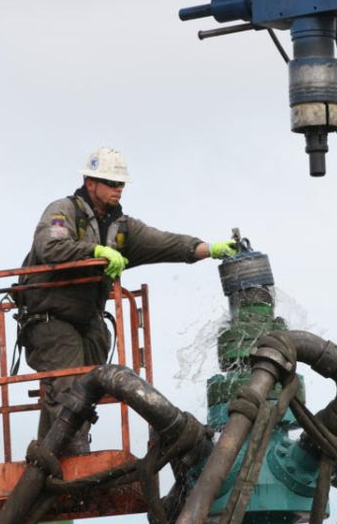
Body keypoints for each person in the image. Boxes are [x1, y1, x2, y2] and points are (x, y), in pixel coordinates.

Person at [17, 147, 236, 453]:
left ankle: (52, 455)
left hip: (88, 321)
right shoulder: (62, 211)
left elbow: (165, 243)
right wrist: (93, 252)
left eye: (121, 184)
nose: (117, 189)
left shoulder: (121, 229)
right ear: (90, 182)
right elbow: (50, 246)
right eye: (111, 183)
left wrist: (209, 249)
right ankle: (68, 461)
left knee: (86, 389)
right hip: (50, 318)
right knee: (68, 388)